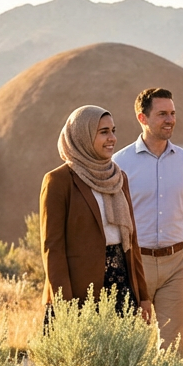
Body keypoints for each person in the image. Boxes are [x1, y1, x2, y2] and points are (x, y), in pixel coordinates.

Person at [113, 87, 183, 354]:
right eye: (162, 114)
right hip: (136, 264)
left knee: (175, 350)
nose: (170, 119)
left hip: (176, 265)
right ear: (142, 118)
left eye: (172, 113)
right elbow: (111, 221)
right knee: (129, 348)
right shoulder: (119, 163)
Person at [41, 105, 151, 318]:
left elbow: (131, 241)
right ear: (82, 136)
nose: (112, 138)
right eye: (103, 132)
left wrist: (143, 295)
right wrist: (64, 305)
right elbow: (52, 249)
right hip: (80, 292)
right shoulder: (59, 181)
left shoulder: (119, 178)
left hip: (121, 286)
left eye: (113, 131)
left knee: (123, 351)